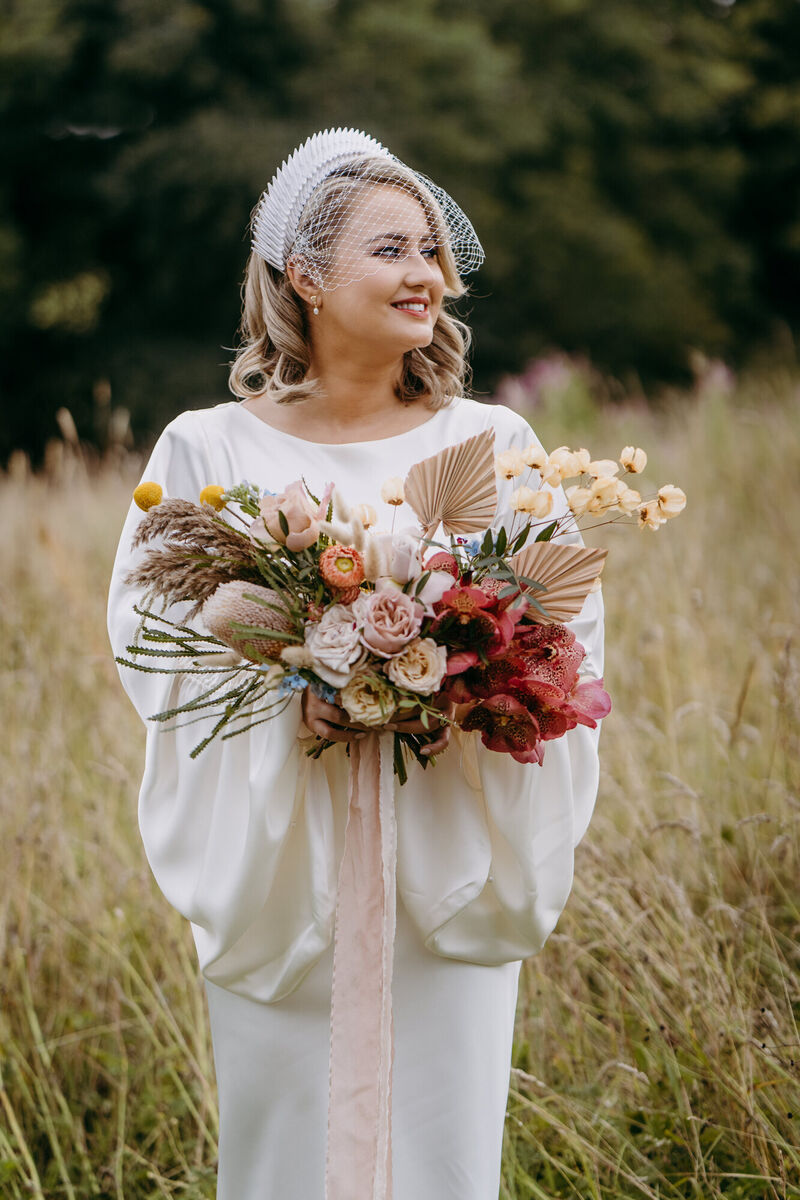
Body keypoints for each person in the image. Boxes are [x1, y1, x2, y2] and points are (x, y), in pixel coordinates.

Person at [107, 127, 605, 1200]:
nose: (425, 273)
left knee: (440, 1139)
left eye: (430, 250)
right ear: (304, 273)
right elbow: (155, 650)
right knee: (285, 1138)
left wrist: (463, 680)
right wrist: (297, 700)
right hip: (284, 864)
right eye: (390, 250)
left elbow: (566, 638)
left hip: (446, 853)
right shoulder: (208, 452)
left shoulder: (493, 445)